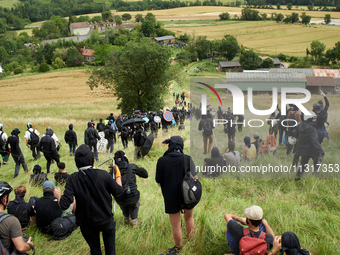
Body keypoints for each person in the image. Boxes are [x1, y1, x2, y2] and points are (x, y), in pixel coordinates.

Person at [53, 144, 125, 255]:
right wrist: (118, 175)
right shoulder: (104, 175)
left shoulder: (73, 179)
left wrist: (58, 196)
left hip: (86, 223)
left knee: (95, 250)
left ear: (76, 161)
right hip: (105, 219)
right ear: (92, 159)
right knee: (110, 251)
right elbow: (120, 193)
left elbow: (64, 204)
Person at [156, 136, 198, 254]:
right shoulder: (187, 158)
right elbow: (195, 178)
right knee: (189, 217)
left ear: (170, 145)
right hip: (188, 195)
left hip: (171, 197)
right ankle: (191, 240)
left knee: (176, 225)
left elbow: (159, 182)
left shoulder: (162, 160)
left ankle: (178, 248)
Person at [114, 151, 148, 227]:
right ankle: (134, 220)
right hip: (133, 196)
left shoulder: (113, 171)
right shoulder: (132, 167)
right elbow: (145, 175)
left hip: (120, 199)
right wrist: (139, 170)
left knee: (123, 203)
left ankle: (126, 218)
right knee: (134, 203)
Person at [0, 181, 34, 254]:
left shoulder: (10, 206)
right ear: (5, 199)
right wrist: (30, 245)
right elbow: (21, 248)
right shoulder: (12, 220)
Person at [293, 111, 324, 179]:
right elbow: (314, 140)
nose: (315, 120)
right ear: (310, 119)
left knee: (303, 165)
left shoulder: (301, 126)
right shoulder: (312, 129)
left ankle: (298, 178)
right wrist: (321, 151)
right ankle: (315, 179)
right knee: (316, 165)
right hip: (312, 150)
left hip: (304, 150)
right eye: (314, 118)